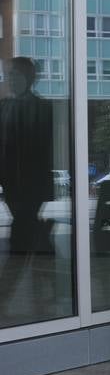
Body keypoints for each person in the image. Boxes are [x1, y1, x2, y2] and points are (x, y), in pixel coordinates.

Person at [0, 57, 55, 301]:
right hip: (16, 185)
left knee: (20, 241)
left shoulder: (39, 108)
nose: (11, 79)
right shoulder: (6, 106)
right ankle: (52, 293)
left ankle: (4, 299)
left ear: (29, 79)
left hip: (27, 187)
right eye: (9, 74)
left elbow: (40, 151)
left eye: (17, 74)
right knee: (31, 236)